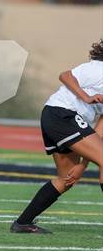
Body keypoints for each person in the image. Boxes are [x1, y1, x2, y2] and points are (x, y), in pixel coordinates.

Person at [11, 39, 103, 234]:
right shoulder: (99, 69)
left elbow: (98, 134)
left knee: (66, 179)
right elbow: (65, 75)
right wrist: (85, 97)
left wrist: (82, 165)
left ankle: (23, 223)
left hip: (62, 118)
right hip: (63, 114)